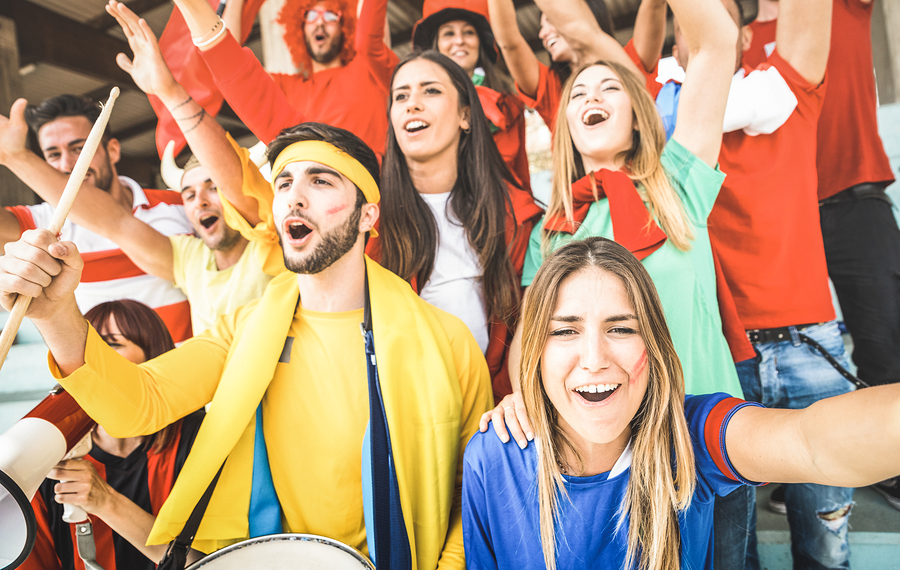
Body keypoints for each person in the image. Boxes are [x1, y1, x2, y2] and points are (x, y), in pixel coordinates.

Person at [0, 121, 492, 567]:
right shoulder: (243, 327)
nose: (294, 197)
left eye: (320, 181)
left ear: (367, 215)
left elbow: (471, 497)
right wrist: (57, 314)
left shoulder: (447, 341)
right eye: (283, 183)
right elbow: (140, 406)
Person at [462, 236, 900, 570]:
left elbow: (811, 444)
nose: (594, 360)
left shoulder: (692, 434)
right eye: (564, 331)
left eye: (621, 329)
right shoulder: (492, 454)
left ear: (653, 346)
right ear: (535, 351)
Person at [516, 0, 743, 400]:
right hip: (611, 446)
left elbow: (717, 43)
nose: (592, 98)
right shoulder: (549, 231)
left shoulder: (676, 182)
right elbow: (531, 344)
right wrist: (519, 400)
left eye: (610, 88)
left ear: (638, 116)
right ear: (567, 126)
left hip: (706, 431)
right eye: (578, 94)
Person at [27, 1, 277, 336]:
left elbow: (237, 182)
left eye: (213, 187)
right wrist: (14, 157)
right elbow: (115, 223)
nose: (199, 201)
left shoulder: (272, 240)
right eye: (187, 193)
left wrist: (170, 93)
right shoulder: (190, 260)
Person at [745, 0, 900, 513]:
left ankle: (892, 462)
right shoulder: (737, 37)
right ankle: (806, 468)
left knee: (885, 334)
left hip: (854, 191)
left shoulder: (842, 7)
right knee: (795, 346)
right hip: (783, 213)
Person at [374, 50, 543, 401]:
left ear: (465, 115)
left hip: (497, 414)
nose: (412, 104)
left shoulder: (516, 215)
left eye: (430, 91)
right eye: (400, 95)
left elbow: (531, 332)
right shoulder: (368, 216)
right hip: (401, 413)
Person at [22, 300, 204, 570]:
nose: (92, 363)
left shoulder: (196, 438)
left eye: (112, 345)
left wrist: (105, 501)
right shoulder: (46, 453)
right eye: (87, 351)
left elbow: (214, 562)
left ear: (154, 360)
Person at [0, 94, 194, 343]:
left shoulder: (182, 205)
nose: (67, 165)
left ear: (113, 150)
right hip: (100, 378)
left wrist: (17, 157)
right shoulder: (43, 221)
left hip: (186, 374)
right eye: (53, 155)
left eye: (79, 149)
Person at [168, 0, 397, 157]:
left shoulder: (368, 67)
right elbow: (228, 58)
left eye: (330, 15)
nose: (319, 22)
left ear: (346, 24)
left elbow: (371, 28)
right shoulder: (286, 87)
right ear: (298, 27)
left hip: (381, 198)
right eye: (310, 15)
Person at [487, 0, 664, 132]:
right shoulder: (551, 86)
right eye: (577, 94)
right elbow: (510, 44)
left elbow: (655, 5)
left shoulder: (629, 63)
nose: (542, 33)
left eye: (551, 20)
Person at [411, 0, 532, 192]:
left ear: (480, 43)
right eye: (449, 33)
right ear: (436, 45)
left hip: (509, 213)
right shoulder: (415, 107)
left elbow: (522, 173)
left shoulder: (509, 104)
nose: (460, 41)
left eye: (469, 32)